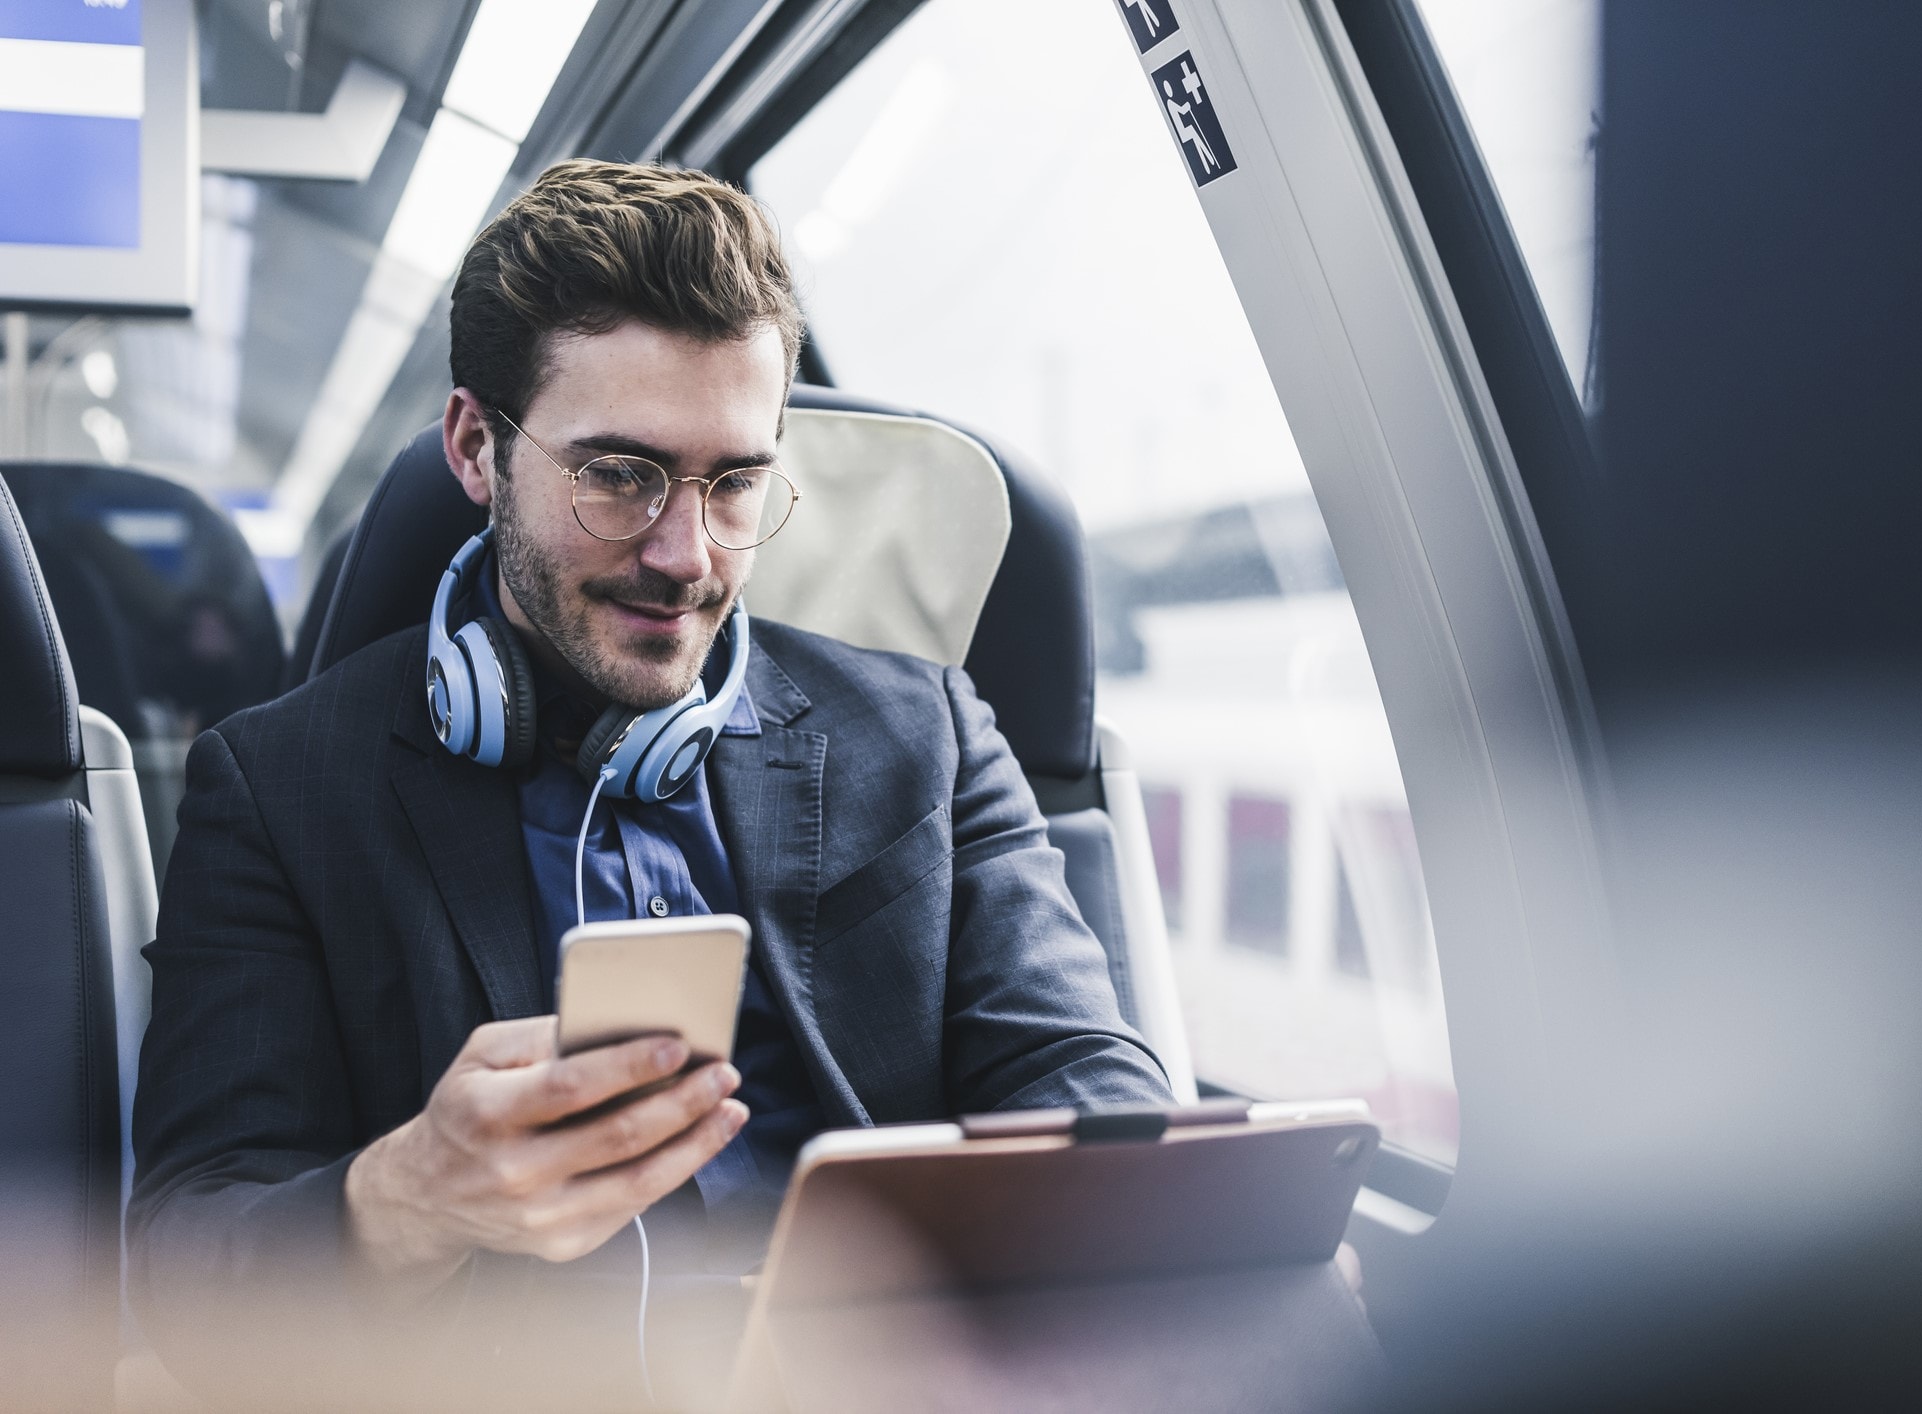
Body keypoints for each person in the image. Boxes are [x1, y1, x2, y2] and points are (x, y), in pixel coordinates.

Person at [128, 161, 1171, 1410]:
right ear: (476, 446)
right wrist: (404, 1194)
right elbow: (186, 1268)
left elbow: (1090, 1087)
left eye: (734, 483)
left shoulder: (924, 735)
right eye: (617, 474)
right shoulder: (282, 784)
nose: (686, 557)